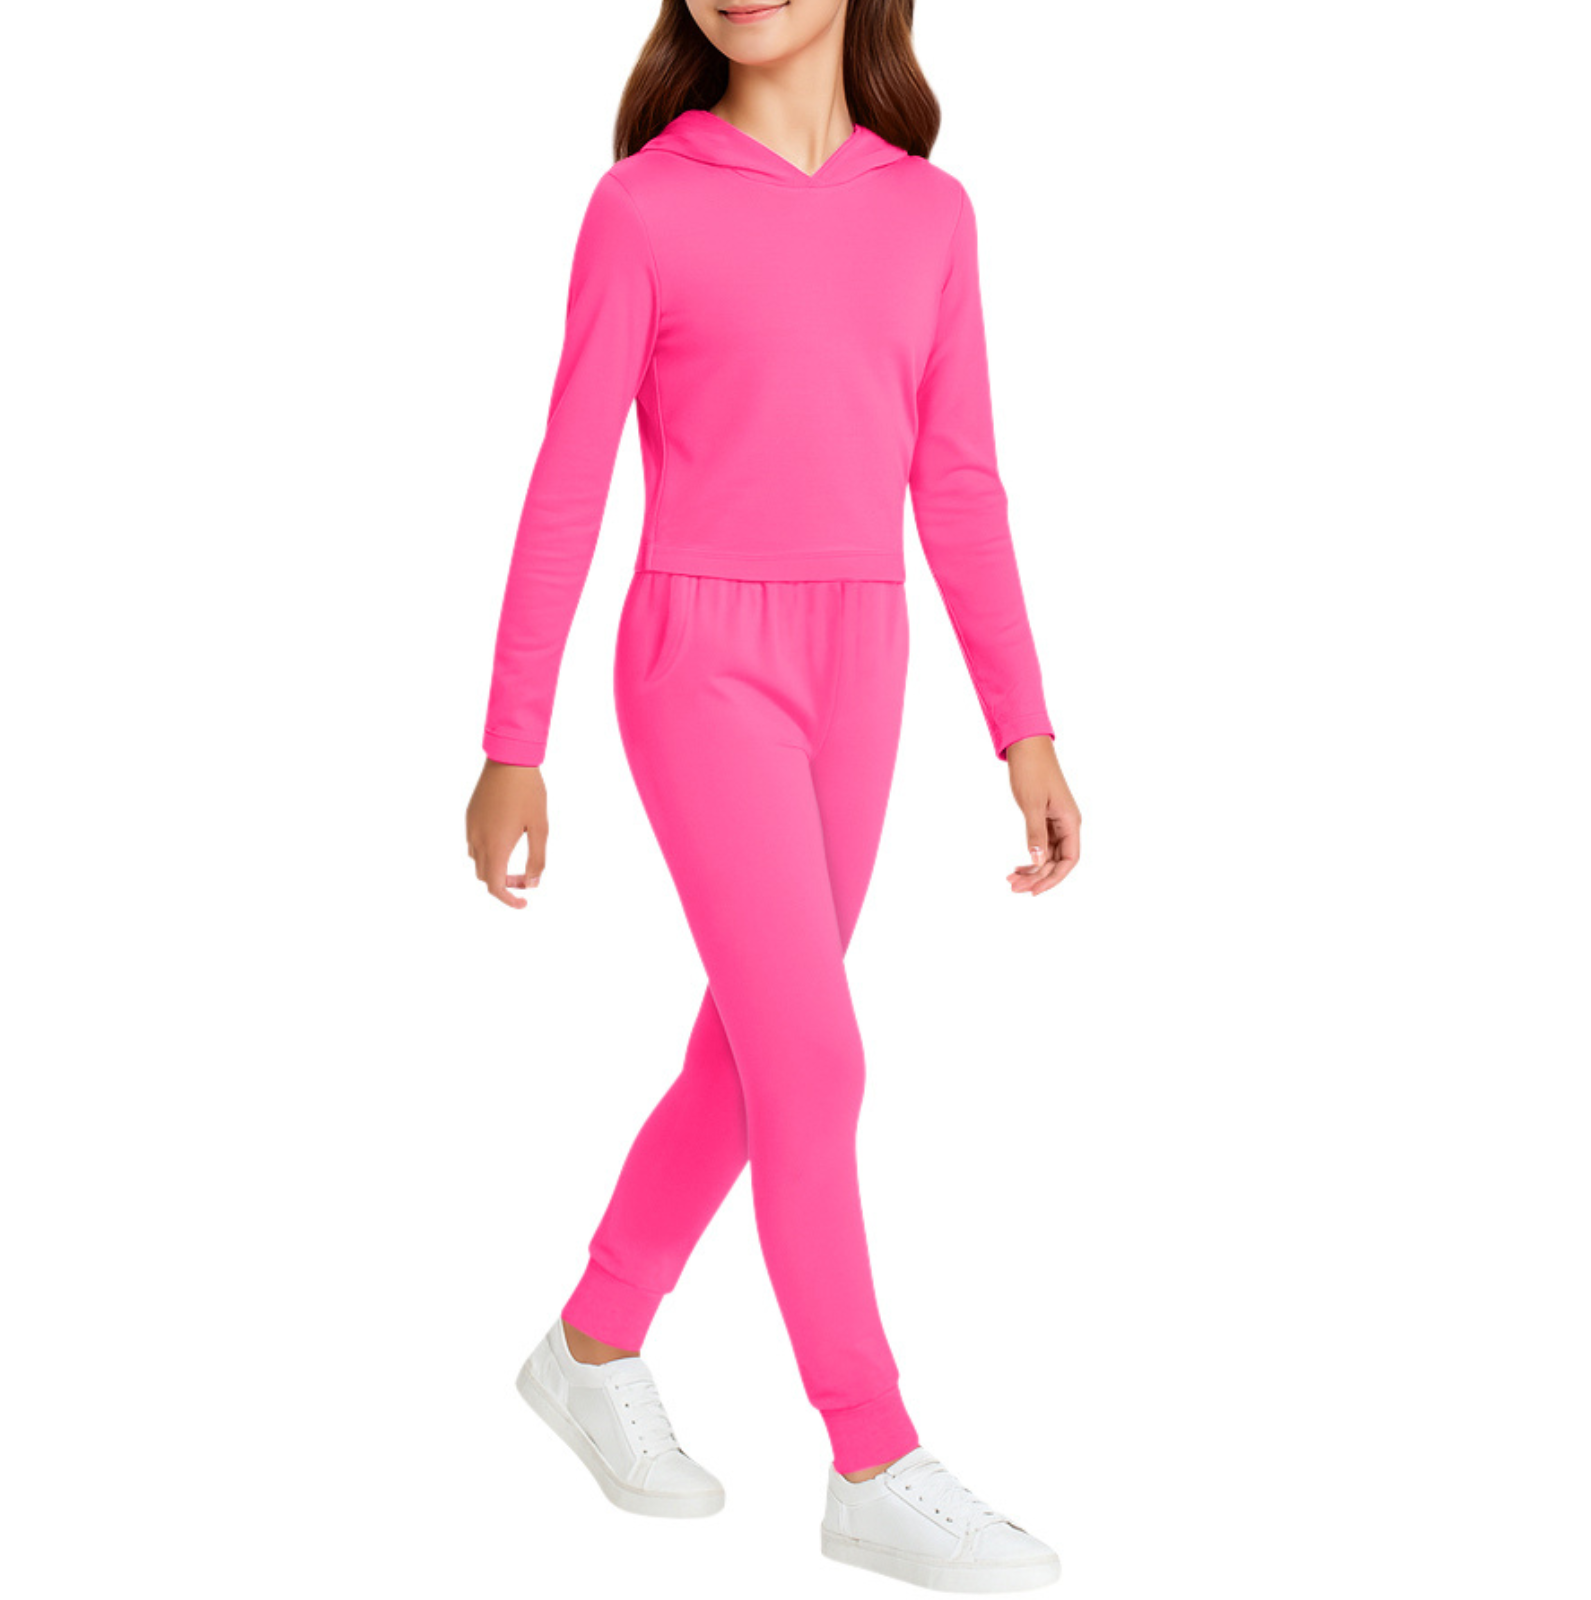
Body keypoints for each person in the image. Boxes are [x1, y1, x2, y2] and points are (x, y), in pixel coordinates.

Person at [465, 1, 1080, 1589]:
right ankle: (872, 1455)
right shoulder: (643, 207)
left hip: (861, 655)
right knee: (815, 1057)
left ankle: (592, 1343)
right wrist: (514, 738)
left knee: (749, 1059)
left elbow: (959, 480)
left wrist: (1022, 728)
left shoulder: (931, 215)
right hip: (698, 659)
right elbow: (568, 475)